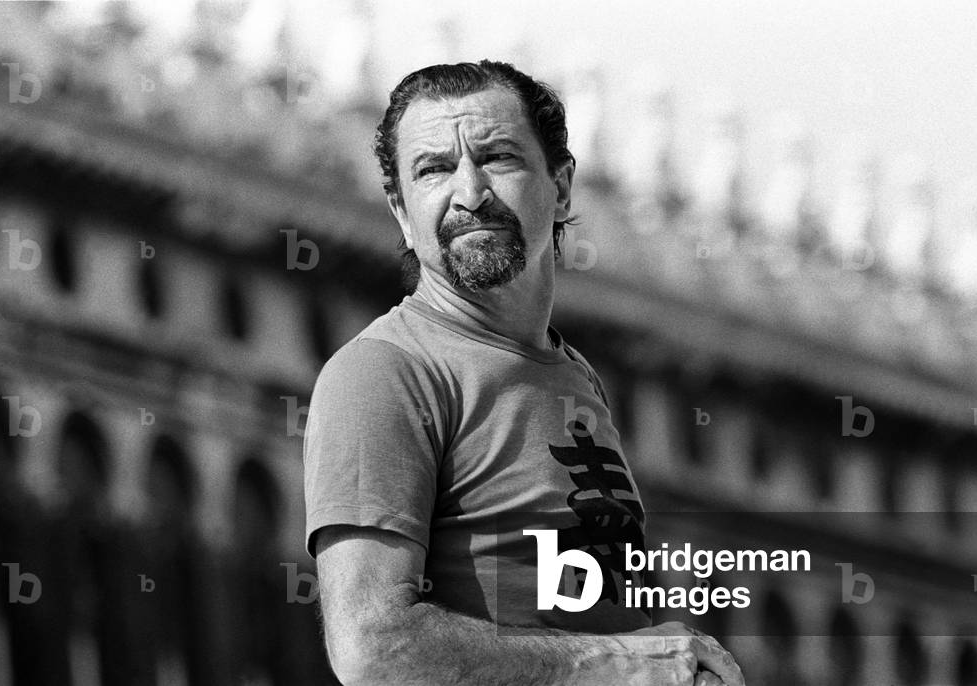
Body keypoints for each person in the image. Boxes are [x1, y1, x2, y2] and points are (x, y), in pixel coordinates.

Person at [303, 60, 744, 686]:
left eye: (498, 158)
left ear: (561, 187)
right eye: (433, 170)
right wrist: (618, 662)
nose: (470, 193)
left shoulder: (575, 376)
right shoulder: (385, 373)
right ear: (401, 210)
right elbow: (374, 647)